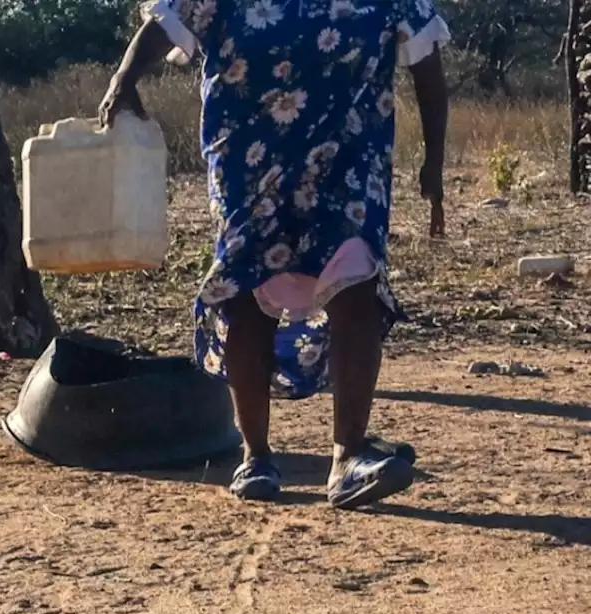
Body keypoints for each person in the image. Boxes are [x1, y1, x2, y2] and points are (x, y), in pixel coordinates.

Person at [99, 0, 450, 508]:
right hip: (249, 156)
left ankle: (349, 455)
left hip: (347, 155)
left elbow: (427, 64)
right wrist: (124, 78)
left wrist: (434, 163)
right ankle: (256, 455)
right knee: (246, 288)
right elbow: (168, 21)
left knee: (357, 280)